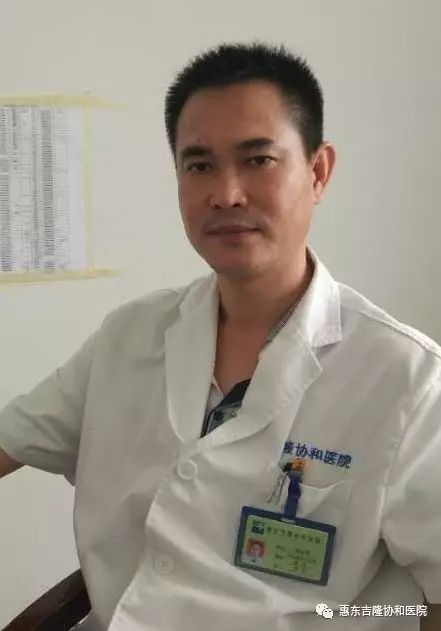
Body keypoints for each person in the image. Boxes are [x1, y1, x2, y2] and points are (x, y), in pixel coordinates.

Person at [0, 41, 440, 631]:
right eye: (199, 165)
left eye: (258, 160)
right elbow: (12, 440)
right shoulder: (129, 337)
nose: (226, 193)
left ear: (317, 172)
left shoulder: (409, 380)